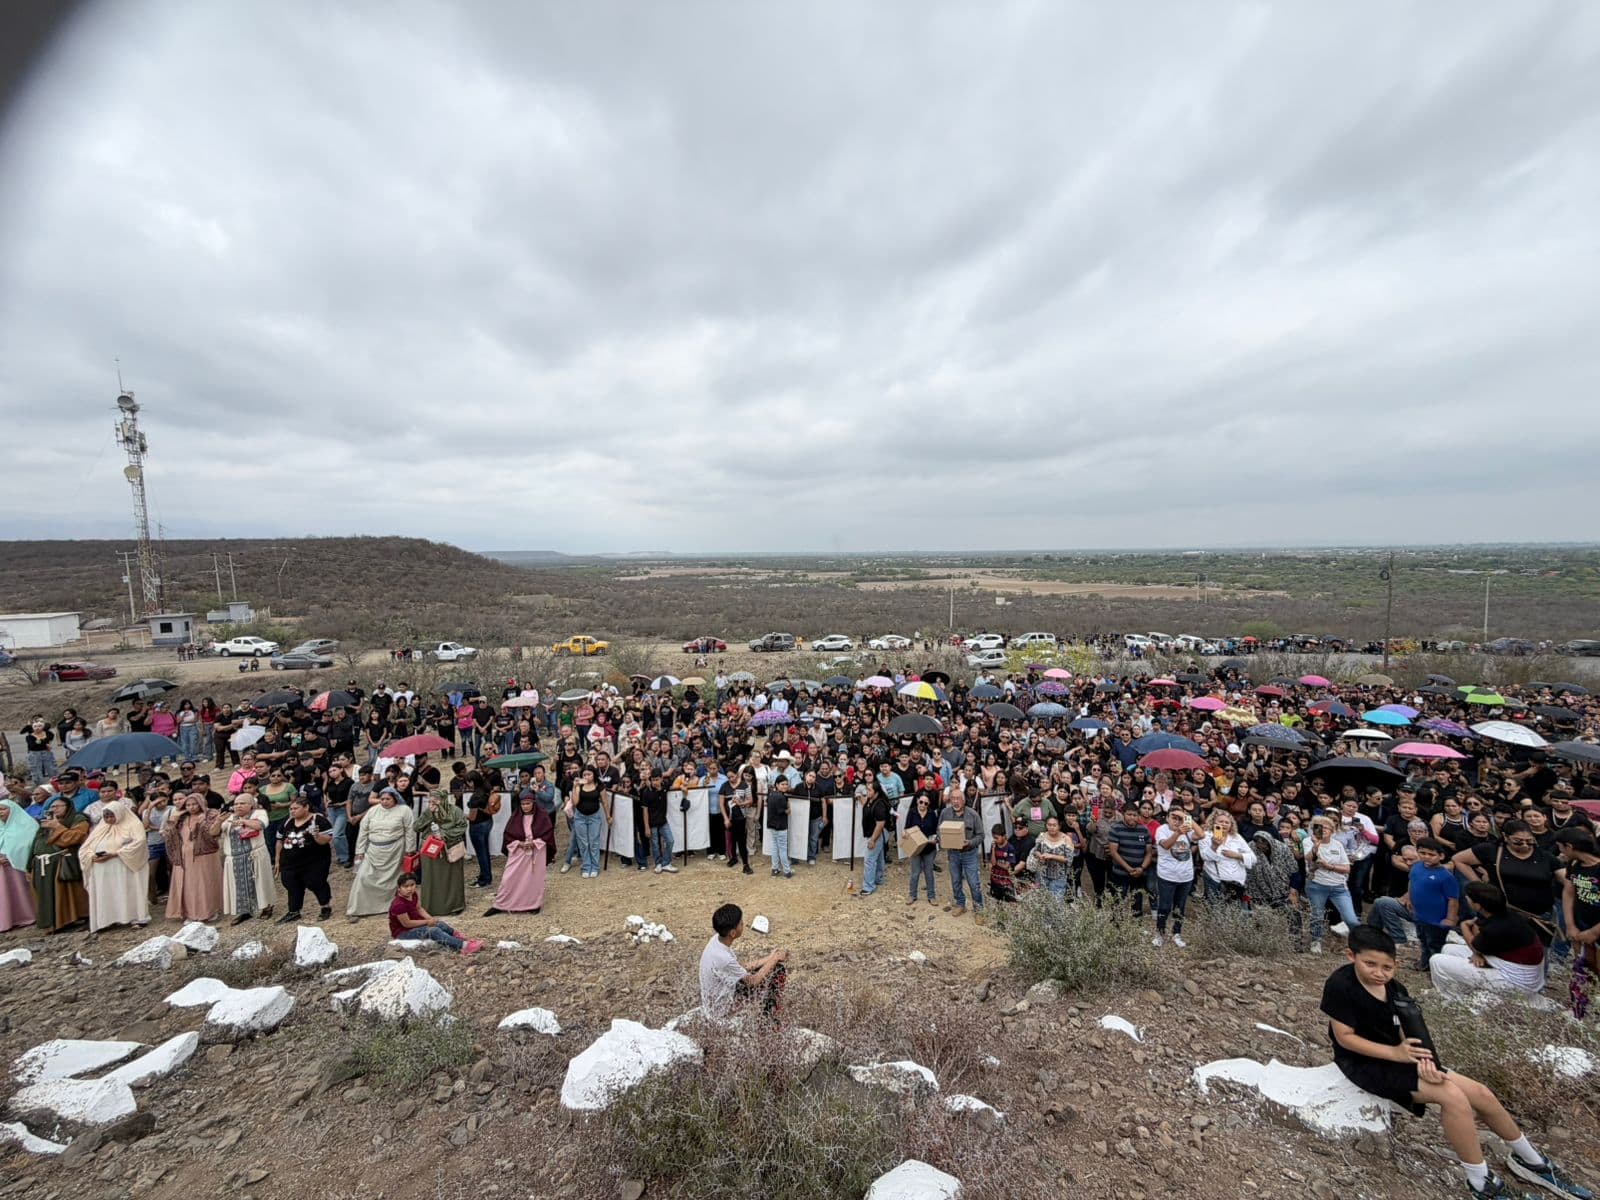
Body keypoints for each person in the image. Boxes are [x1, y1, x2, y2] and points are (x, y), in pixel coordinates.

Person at [1322, 925, 1585, 1200]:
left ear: (1396, 964)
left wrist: (1427, 1063)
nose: (1379, 973)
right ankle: (1480, 1182)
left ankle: (1531, 1161)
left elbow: (1410, 1027)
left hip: (1401, 1055)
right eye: (1370, 964)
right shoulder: (1341, 985)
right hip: (1363, 1063)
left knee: (1481, 1093)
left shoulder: (1393, 986)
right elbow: (1345, 1038)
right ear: (1351, 956)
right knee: (1453, 1097)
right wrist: (1398, 1054)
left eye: (1387, 967)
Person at [1429, 883, 1550, 1004]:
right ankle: (1463, 990)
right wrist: (1478, 953)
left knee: (1436, 960)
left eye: (1468, 898)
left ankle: (1452, 998)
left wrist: (1464, 925)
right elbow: (1478, 943)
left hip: (1517, 982)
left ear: (1478, 905)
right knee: (1448, 949)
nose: (1466, 900)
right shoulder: (1508, 915)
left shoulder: (1495, 928)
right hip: (1509, 964)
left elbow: (1475, 944)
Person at [1365, 837, 1459, 969]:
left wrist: (1450, 918)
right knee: (1423, 941)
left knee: (1433, 944)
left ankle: (1435, 967)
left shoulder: (1446, 876)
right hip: (1418, 914)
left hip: (1435, 919)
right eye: (1422, 853)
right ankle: (1423, 964)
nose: (1426, 857)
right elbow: (1412, 882)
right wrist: (1409, 897)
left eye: (1431, 854)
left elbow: (1453, 899)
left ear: (1441, 856)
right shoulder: (1417, 867)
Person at [699, 902, 787, 1023]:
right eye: (740, 923)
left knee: (770, 967)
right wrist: (775, 959)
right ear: (733, 933)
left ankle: (768, 1016)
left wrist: (769, 958)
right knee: (777, 970)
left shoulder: (716, 941)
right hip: (720, 1010)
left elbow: (740, 967)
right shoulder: (723, 958)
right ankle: (769, 1021)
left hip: (716, 999)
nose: (743, 924)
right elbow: (752, 981)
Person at [78, 799, 150, 932]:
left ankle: (136, 917)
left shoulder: (133, 825)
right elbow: (85, 848)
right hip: (102, 871)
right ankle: (107, 920)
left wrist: (115, 853)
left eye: (112, 816)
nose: (109, 819)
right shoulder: (101, 828)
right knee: (107, 894)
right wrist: (91, 856)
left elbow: (139, 842)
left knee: (128, 891)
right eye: (106, 816)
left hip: (125, 868)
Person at [347, 786, 416, 920]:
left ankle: (392, 906)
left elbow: (410, 831)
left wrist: (410, 849)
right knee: (363, 877)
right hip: (373, 851)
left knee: (393, 880)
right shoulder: (373, 811)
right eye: (382, 799)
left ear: (394, 799)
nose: (384, 801)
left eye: (387, 799)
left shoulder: (404, 810)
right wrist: (359, 851)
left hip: (395, 850)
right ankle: (357, 909)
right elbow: (363, 831)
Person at [484, 792, 553, 916]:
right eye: (523, 804)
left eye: (528, 804)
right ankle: (501, 904)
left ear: (533, 803)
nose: (525, 806)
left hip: (536, 852)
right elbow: (508, 837)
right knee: (508, 877)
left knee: (534, 879)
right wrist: (519, 844)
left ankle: (533, 904)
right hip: (518, 851)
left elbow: (548, 835)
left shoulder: (542, 816)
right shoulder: (515, 817)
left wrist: (535, 842)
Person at [30, 794, 89, 932]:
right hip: (43, 864)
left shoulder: (78, 819)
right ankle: (53, 924)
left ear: (67, 807)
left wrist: (57, 827)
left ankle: (72, 919)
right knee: (47, 895)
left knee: (66, 893)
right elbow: (37, 841)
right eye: (51, 807)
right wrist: (30, 864)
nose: (54, 809)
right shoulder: (46, 821)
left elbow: (75, 837)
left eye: (57, 806)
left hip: (64, 862)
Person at [1555, 827, 1600, 1007]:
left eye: (1561, 847)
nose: (1560, 852)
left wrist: (1594, 932)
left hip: (1595, 928)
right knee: (1586, 967)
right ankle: (1586, 1005)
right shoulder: (1575, 866)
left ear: (1570, 846)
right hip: (1582, 924)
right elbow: (1569, 892)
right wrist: (1570, 924)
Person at [163, 793, 224, 922]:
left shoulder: (210, 815)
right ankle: (190, 913)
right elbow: (168, 834)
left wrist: (216, 821)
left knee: (205, 883)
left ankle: (209, 911)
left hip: (205, 856)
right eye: (188, 805)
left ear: (201, 803)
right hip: (184, 856)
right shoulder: (181, 818)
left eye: (194, 804)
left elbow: (214, 833)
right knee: (188, 885)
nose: (191, 807)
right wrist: (172, 822)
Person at [389, 873, 483, 954]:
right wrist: (427, 922)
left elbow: (419, 908)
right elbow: (407, 923)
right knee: (433, 931)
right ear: (399, 888)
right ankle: (463, 946)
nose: (410, 888)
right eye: (406, 886)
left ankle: (460, 939)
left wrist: (431, 919)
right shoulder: (399, 904)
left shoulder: (413, 895)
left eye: (412, 885)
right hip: (403, 932)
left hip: (414, 925)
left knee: (439, 924)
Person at [1305, 813, 1359, 954]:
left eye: (1327, 828)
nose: (1323, 830)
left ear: (1333, 830)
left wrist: (1330, 867)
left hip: (1339, 886)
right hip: (1317, 884)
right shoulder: (1308, 841)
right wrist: (1315, 846)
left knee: (1352, 920)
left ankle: (1355, 943)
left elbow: (1347, 868)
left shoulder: (1338, 845)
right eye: (1319, 827)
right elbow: (1309, 859)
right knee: (1317, 915)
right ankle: (1316, 941)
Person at [275, 795, 334, 923]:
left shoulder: (318, 820)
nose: (292, 811)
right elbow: (280, 840)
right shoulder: (287, 821)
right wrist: (277, 859)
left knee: (316, 883)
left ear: (306, 807)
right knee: (291, 884)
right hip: (290, 862)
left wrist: (316, 835)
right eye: (291, 808)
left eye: (296, 808)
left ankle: (325, 907)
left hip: (314, 861)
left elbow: (326, 840)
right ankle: (294, 911)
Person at [220, 795, 274, 924]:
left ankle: (267, 907)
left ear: (251, 805)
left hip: (255, 854)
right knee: (239, 886)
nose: (238, 806)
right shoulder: (230, 817)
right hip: (235, 858)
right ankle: (245, 911)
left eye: (242, 803)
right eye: (236, 803)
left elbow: (260, 825)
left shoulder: (259, 813)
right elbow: (214, 832)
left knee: (261, 882)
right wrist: (218, 821)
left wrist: (243, 821)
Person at [413, 790, 467, 917]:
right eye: (430, 801)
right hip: (430, 849)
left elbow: (462, 827)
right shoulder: (428, 812)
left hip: (449, 848)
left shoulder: (455, 811)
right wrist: (429, 814)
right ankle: (431, 906)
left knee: (452, 878)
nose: (433, 803)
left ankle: (455, 905)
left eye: (436, 800)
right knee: (431, 878)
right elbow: (416, 827)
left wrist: (444, 835)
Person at [938, 787, 986, 921]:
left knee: (973, 882)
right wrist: (943, 840)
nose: (955, 802)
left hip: (969, 854)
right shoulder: (945, 813)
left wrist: (969, 843)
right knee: (955, 881)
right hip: (953, 854)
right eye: (953, 798)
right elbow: (939, 831)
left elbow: (981, 835)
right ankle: (960, 904)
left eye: (958, 798)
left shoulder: (973, 814)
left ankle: (979, 910)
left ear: (963, 800)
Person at [1152, 807, 1197, 948]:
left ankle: (1177, 933)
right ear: (1167, 818)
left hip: (1186, 876)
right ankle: (1160, 933)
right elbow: (1165, 845)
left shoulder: (1187, 829)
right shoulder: (1161, 830)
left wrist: (1187, 818)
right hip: (1167, 875)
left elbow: (1201, 835)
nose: (1177, 821)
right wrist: (1178, 833)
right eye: (1174, 817)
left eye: (1179, 818)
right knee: (1164, 906)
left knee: (1180, 907)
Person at [1198, 811, 1255, 904]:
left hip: (1236, 882)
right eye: (1220, 821)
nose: (1224, 824)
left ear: (1231, 825)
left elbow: (1253, 858)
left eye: (1227, 822)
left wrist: (1237, 855)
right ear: (1213, 822)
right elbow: (1205, 857)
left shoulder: (1236, 837)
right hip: (1215, 880)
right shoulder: (1206, 836)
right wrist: (1214, 846)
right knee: (1215, 909)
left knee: (1233, 912)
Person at [1106, 804, 1154, 916]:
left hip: (1139, 873)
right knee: (1118, 898)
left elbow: (1149, 852)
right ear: (1123, 814)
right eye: (1129, 814)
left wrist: (1141, 868)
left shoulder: (1143, 830)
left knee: (1137, 899)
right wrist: (1129, 869)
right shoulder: (1116, 828)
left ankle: (1137, 924)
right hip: (1120, 872)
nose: (1132, 817)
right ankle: (1116, 924)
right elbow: (1113, 852)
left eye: (1134, 815)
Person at [0, 794, 39, 932]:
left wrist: (11, 856)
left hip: (18, 865)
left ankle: (26, 916)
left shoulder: (28, 824)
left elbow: (29, 843)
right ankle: (6, 920)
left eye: (3, 809)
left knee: (20, 891)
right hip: (1, 866)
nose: (0, 812)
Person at [904, 791, 939, 905]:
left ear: (928, 804)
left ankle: (931, 896)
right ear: (917, 801)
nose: (923, 805)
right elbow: (906, 828)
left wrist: (935, 839)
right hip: (916, 848)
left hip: (929, 848)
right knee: (915, 872)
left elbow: (936, 831)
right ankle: (912, 895)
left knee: (929, 872)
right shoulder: (912, 812)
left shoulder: (932, 814)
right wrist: (904, 834)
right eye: (921, 802)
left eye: (926, 803)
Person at [858, 777, 891, 897]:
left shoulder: (879, 805)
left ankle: (868, 886)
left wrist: (872, 840)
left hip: (877, 834)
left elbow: (880, 824)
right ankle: (878, 879)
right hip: (875, 833)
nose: (867, 792)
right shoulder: (870, 800)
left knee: (869, 860)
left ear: (876, 792)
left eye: (870, 790)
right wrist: (860, 797)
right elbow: (865, 805)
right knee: (879, 857)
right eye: (867, 789)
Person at [1032, 814, 1075, 902]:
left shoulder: (1066, 839)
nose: (1051, 827)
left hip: (1059, 877)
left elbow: (1069, 859)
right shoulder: (1042, 836)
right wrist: (1040, 855)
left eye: (1054, 825)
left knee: (1056, 904)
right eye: (1049, 825)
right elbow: (1035, 850)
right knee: (1043, 902)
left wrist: (1052, 856)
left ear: (1059, 826)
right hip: (1042, 875)